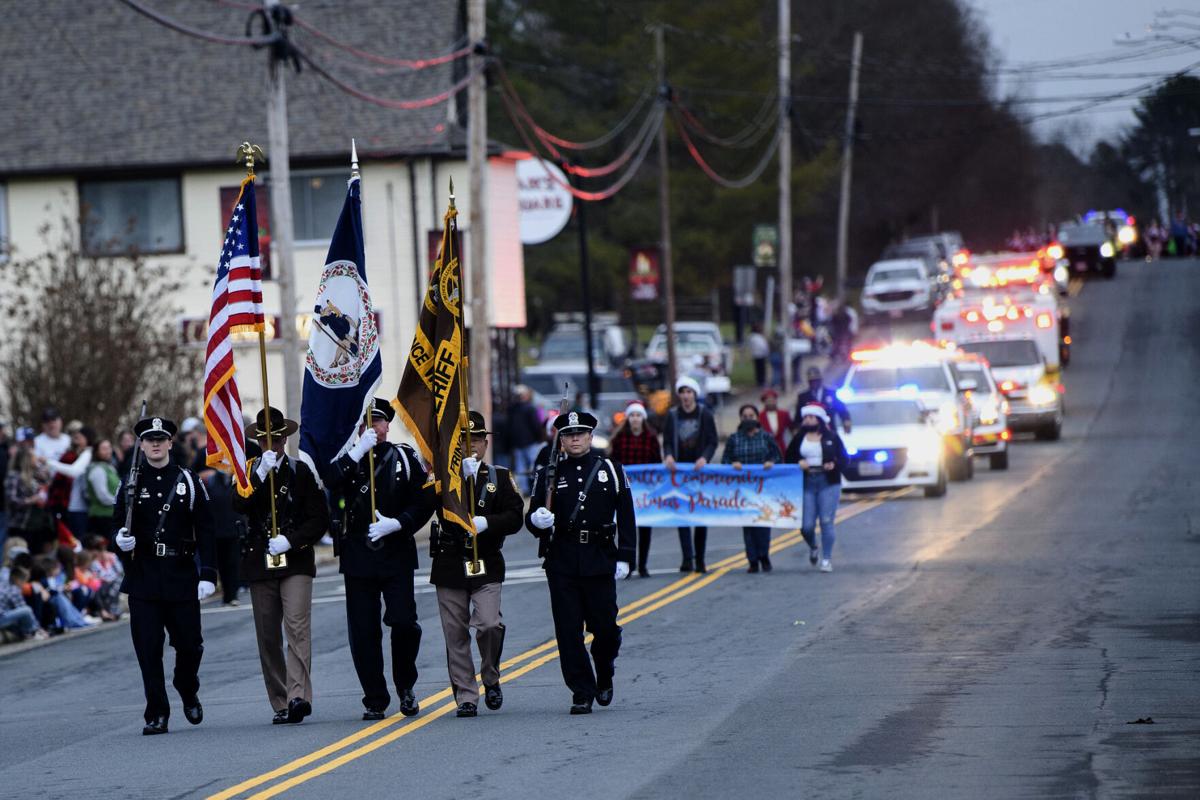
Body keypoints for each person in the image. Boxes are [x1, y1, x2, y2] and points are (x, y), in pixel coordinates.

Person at [112, 415, 217, 735]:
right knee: (148, 648)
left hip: (181, 573)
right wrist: (119, 541)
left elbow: (207, 530)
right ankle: (156, 712)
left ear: (171, 443)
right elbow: (114, 525)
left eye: (161, 438)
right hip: (144, 575)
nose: (155, 443)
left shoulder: (188, 479)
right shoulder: (131, 483)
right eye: (149, 439)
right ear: (141, 445)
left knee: (190, 645)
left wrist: (208, 574)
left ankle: (187, 686)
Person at [329, 398, 434, 722]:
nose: (374, 427)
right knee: (364, 631)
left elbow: (425, 498)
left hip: (395, 553)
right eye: (367, 422)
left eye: (379, 421)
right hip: (359, 555)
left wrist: (400, 522)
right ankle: (375, 697)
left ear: (388, 425)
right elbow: (330, 484)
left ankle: (406, 685)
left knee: (403, 622)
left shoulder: (404, 457)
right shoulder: (348, 458)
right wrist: (357, 452)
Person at [527, 410, 636, 715]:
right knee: (568, 630)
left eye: (580, 433)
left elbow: (626, 514)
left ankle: (604, 671)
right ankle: (581, 690)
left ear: (590, 436)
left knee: (606, 630)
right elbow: (534, 516)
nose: (575, 439)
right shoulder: (549, 473)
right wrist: (537, 520)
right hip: (562, 558)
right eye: (569, 434)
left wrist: (627, 555)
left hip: (600, 557)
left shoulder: (610, 469)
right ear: (560, 439)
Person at [233, 408, 330, 726]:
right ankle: (279, 700)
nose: (272, 446)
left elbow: (318, 518)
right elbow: (239, 505)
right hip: (260, 560)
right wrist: (260, 474)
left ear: (285, 439)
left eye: (276, 439)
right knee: (268, 635)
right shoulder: (246, 473)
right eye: (265, 441)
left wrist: (292, 540)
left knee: (297, 627)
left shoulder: (302, 472)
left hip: (295, 559)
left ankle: (297, 696)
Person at [429, 411, 524, 718]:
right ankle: (466, 696)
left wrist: (488, 522)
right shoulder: (443, 479)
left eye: (477, 440)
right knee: (455, 634)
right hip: (450, 561)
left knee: (488, 624)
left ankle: (491, 676)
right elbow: (427, 506)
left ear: (485, 443)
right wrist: (454, 478)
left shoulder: (499, 476)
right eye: (464, 441)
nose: (471, 446)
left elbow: (515, 517)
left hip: (486, 561)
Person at [660, 376, 718, 573]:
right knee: (682, 514)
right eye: (682, 392)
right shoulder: (673, 415)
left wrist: (705, 458)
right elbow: (667, 440)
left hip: (698, 471)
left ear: (694, 394)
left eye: (689, 392)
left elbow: (712, 440)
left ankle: (700, 558)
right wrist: (668, 455)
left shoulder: (705, 414)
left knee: (699, 514)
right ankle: (687, 557)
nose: (686, 396)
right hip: (680, 471)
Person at [784, 405, 848, 573]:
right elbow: (788, 457)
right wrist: (798, 462)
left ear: (819, 419)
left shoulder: (832, 437)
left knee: (826, 521)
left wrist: (834, 464)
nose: (807, 420)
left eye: (811, 417)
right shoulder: (799, 438)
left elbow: (845, 459)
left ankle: (826, 559)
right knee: (806, 525)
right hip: (807, 482)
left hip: (828, 481)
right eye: (806, 418)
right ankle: (813, 545)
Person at [722, 406, 782, 572]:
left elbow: (778, 456)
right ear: (740, 418)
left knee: (763, 522)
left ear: (757, 417)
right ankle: (752, 560)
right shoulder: (734, 439)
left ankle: (764, 555)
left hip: (763, 488)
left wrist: (771, 462)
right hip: (743, 489)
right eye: (744, 416)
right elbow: (725, 460)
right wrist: (733, 464)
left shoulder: (766, 437)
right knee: (748, 524)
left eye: (751, 415)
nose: (748, 418)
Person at [607, 402, 661, 577]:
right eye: (632, 416)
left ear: (643, 418)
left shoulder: (651, 437)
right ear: (628, 418)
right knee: (627, 527)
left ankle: (643, 564)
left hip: (645, 490)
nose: (635, 419)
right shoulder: (620, 438)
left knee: (645, 528)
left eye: (638, 415)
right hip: (626, 489)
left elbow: (656, 462)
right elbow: (613, 462)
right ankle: (629, 564)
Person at [5, 430, 53, 555]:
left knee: (37, 556)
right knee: (21, 556)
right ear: (26, 459)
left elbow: (48, 481)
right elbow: (11, 500)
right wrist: (31, 500)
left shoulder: (36, 475)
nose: (36, 458)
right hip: (21, 525)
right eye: (33, 456)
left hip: (38, 524)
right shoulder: (14, 476)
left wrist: (44, 465)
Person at [45, 425, 95, 539]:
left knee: (76, 539)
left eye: (80, 436)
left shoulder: (88, 453)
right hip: (71, 505)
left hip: (79, 506)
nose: (76, 438)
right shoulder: (75, 453)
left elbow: (74, 471)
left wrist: (49, 462)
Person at [506, 385, 544, 495]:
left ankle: (526, 490)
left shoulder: (511, 409)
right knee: (533, 466)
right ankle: (534, 487)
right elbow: (535, 425)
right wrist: (539, 438)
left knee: (521, 468)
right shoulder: (530, 408)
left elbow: (510, 426)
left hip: (518, 442)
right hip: (530, 441)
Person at [793, 366, 852, 434]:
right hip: (811, 432)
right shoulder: (803, 397)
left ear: (820, 380)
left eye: (816, 380)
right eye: (811, 381)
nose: (814, 383)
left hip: (830, 430)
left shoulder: (831, 393)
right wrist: (796, 428)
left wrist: (846, 420)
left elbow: (841, 409)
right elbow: (798, 416)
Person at [0, 563, 47, 641]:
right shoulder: (14, 589)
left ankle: (23, 634)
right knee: (26, 610)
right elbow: (23, 608)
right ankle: (30, 633)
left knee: (17, 614)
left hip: (3, 614)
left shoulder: (3, 584)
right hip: (1, 618)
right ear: (17, 579)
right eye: (24, 581)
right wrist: (38, 628)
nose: (24, 585)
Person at [85, 439, 119, 538]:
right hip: (101, 518)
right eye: (104, 449)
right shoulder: (97, 469)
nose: (108, 451)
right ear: (96, 452)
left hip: (110, 516)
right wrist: (120, 503)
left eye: (109, 448)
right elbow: (103, 496)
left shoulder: (109, 467)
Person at [757, 389, 792, 456]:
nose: (771, 403)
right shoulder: (760, 416)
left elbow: (791, 428)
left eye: (773, 400)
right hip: (765, 446)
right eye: (768, 401)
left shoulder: (784, 414)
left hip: (781, 445)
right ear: (764, 402)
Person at [747, 324, 769, 389]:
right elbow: (763, 346)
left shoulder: (751, 337)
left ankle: (759, 381)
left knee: (758, 369)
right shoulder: (758, 337)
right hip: (761, 354)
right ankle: (762, 381)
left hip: (755, 354)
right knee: (762, 369)